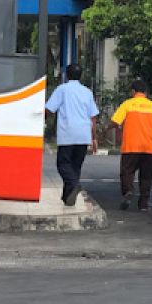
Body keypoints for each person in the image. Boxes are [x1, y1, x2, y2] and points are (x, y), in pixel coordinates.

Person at [108, 78, 152, 211]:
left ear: (133, 91)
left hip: (130, 146)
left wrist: (107, 129)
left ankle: (128, 192)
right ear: (145, 92)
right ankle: (143, 204)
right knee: (146, 176)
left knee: (127, 172)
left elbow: (115, 121)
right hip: (148, 147)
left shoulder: (127, 104)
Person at [44, 63, 100, 206]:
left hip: (67, 134)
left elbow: (50, 110)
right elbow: (93, 117)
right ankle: (68, 199)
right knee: (75, 167)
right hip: (83, 134)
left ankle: (74, 185)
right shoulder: (87, 92)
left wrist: (39, 119)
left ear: (67, 75)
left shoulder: (62, 89)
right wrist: (94, 138)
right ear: (80, 75)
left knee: (62, 164)